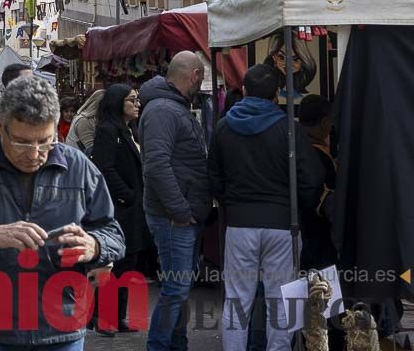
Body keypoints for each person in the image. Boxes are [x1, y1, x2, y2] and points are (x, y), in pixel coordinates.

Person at [0, 76, 126, 347]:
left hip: (63, 324)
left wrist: (95, 245)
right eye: (21, 142)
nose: (34, 153)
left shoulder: (79, 167)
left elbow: (113, 232)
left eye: (45, 141)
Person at [209, 64, 324, 351]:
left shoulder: (223, 128)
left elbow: (213, 177)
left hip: (239, 224)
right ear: (277, 95)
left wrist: (232, 204)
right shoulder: (289, 128)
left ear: (244, 90)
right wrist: (299, 209)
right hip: (283, 225)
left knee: (237, 300)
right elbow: (312, 177)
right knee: (282, 300)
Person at [139, 51, 211, 351]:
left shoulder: (170, 108)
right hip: (173, 217)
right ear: (193, 75)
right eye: (201, 78)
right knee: (176, 289)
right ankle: (159, 346)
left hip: (180, 214)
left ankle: (176, 345)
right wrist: (180, 210)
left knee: (179, 289)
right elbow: (156, 165)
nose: (202, 84)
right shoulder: (163, 111)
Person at [91, 84, 148, 335]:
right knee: (116, 263)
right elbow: (106, 167)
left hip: (132, 207)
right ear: (118, 103)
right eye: (131, 100)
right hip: (120, 207)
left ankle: (116, 316)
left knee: (128, 262)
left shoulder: (130, 129)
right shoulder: (107, 130)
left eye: (137, 100)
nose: (137, 104)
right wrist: (127, 195)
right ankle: (105, 317)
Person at [298, 94, 337, 270]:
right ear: (323, 123)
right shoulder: (318, 154)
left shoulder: (296, 147)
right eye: (330, 121)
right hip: (318, 233)